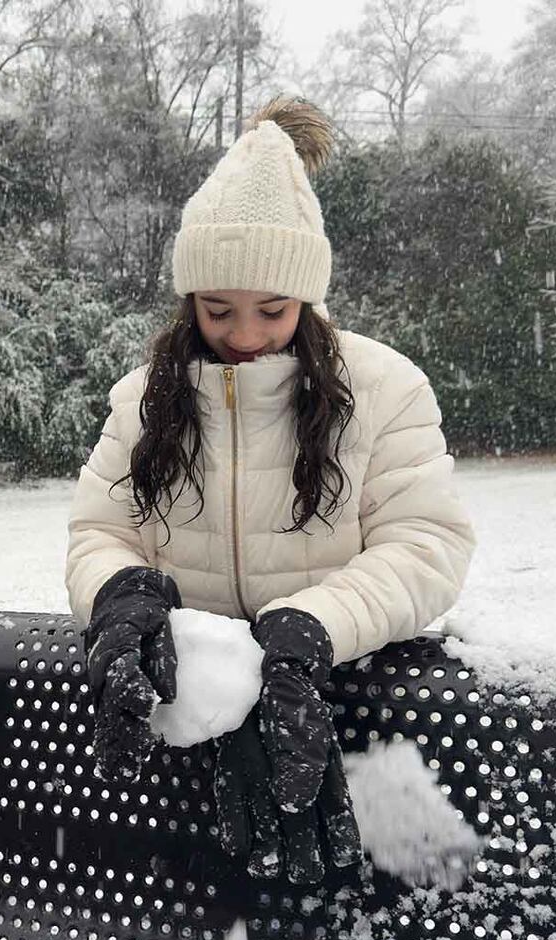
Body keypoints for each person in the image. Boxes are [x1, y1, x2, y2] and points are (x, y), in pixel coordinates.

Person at [65, 98, 477, 884]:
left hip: (330, 718)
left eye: (273, 310)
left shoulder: (385, 389)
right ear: (189, 300)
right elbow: (99, 532)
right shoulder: (141, 399)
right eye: (218, 310)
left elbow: (427, 544)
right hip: (189, 731)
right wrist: (119, 594)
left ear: (308, 297)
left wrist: (311, 628)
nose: (246, 335)